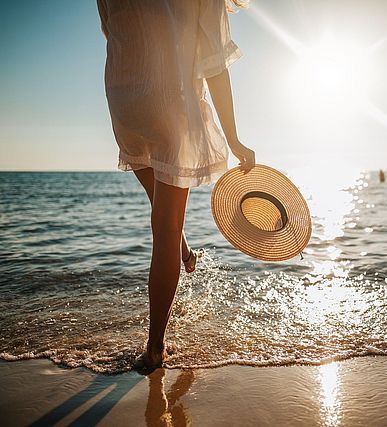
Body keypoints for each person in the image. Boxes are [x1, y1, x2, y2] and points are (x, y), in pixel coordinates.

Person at [96, 0, 255, 369]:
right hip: (169, 100)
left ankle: (183, 249)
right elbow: (215, 64)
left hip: (123, 97)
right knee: (165, 228)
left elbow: (112, 31)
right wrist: (233, 138)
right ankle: (155, 348)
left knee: (160, 205)